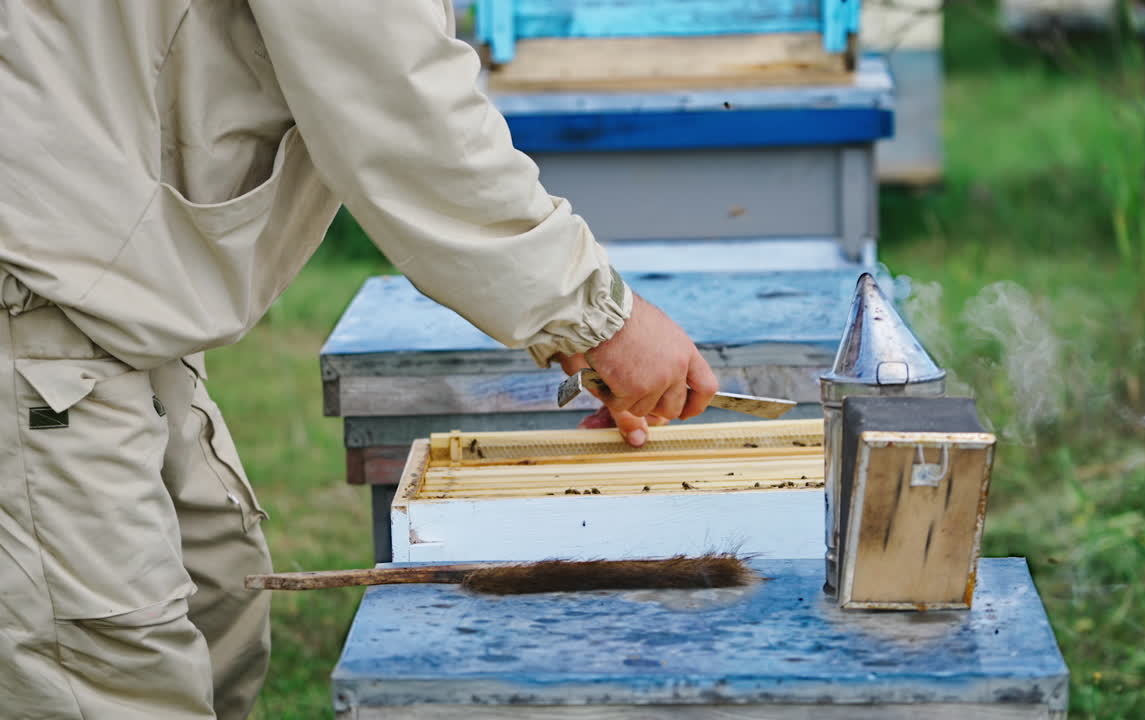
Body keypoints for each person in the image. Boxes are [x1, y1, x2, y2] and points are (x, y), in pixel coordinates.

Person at [0, 3, 719, 718]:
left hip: (116, 293)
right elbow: (400, 101)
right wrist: (601, 318)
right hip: (39, 292)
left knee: (215, 597)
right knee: (106, 674)